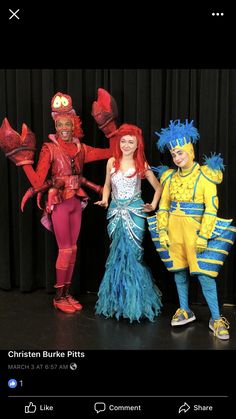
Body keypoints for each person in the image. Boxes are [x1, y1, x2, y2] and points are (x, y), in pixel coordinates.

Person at [0, 89, 118, 314]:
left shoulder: (82, 148)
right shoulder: (49, 149)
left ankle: (67, 293)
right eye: (60, 125)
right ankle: (58, 296)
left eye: (68, 124)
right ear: (55, 126)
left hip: (76, 203)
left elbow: (111, 151)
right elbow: (37, 182)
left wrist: (111, 130)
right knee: (65, 249)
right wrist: (23, 159)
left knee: (73, 249)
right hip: (60, 204)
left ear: (74, 124)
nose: (64, 129)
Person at [148, 119, 236, 339]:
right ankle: (185, 309)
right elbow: (164, 206)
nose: (177, 158)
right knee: (179, 271)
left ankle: (216, 318)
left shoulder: (206, 175)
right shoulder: (169, 177)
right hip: (174, 231)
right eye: (174, 155)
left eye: (180, 153)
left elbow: (211, 208)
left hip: (196, 232)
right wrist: (163, 231)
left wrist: (204, 235)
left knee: (206, 275)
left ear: (190, 150)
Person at [94, 123, 163, 323]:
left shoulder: (141, 164)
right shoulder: (111, 162)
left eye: (130, 142)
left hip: (135, 214)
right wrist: (106, 199)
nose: (125, 145)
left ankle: (137, 303)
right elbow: (107, 185)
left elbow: (158, 187)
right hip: (115, 213)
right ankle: (118, 303)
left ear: (137, 145)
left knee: (132, 256)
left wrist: (153, 205)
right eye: (123, 141)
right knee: (117, 256)